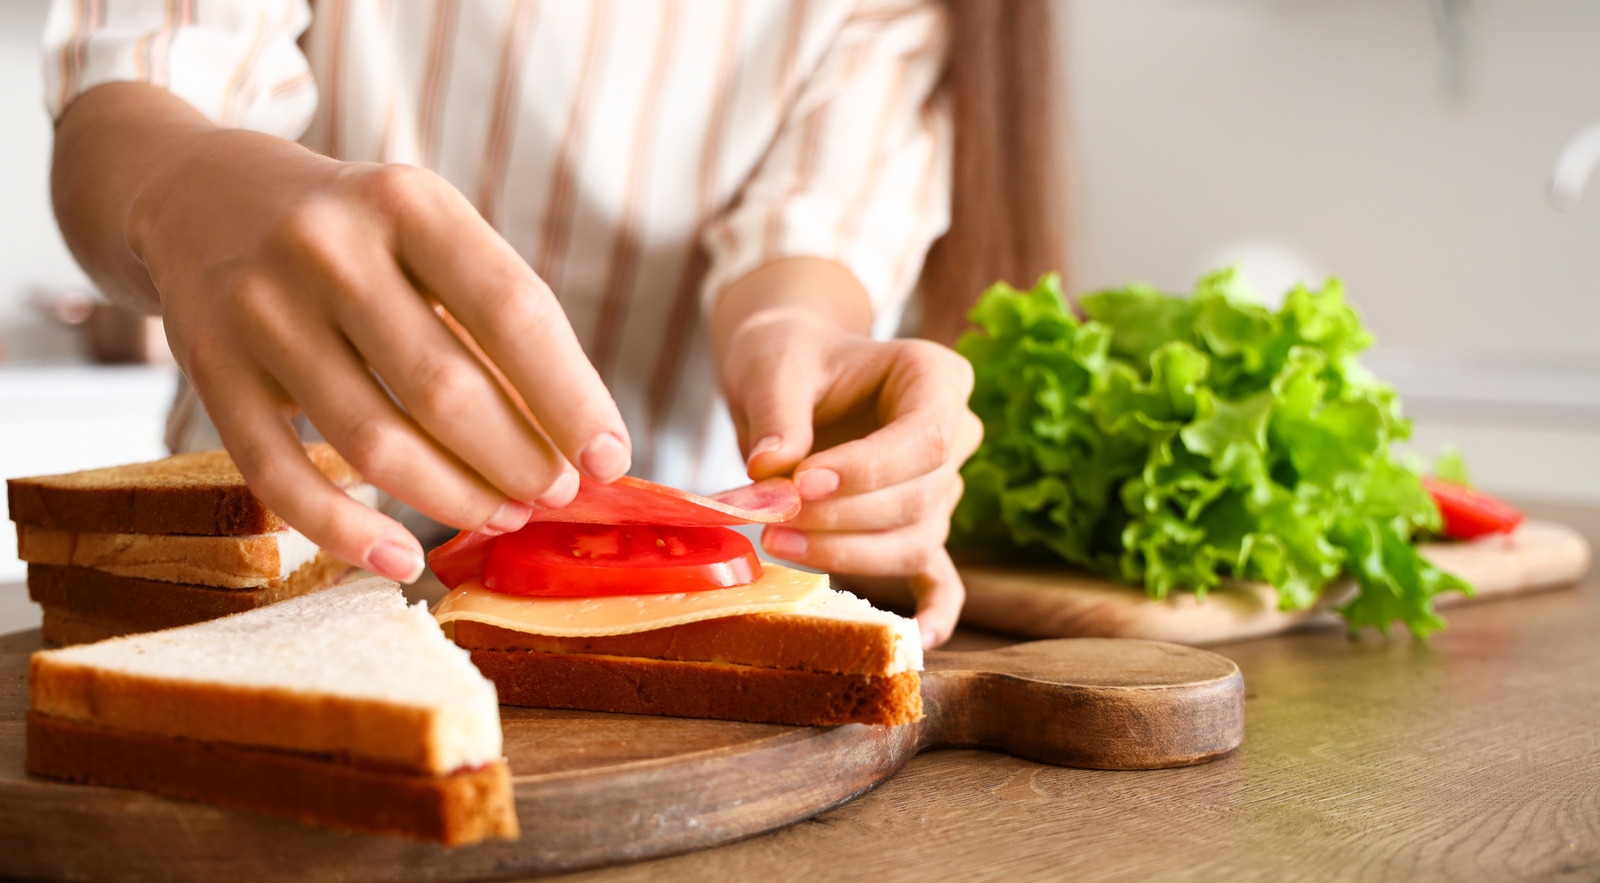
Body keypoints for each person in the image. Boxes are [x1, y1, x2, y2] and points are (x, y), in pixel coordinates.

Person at [43, 0, 1063, 648]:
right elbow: (130, 101)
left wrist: (804, 346)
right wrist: (184, 189)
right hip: (259, 557)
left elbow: (803, 246)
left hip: (690, 593)